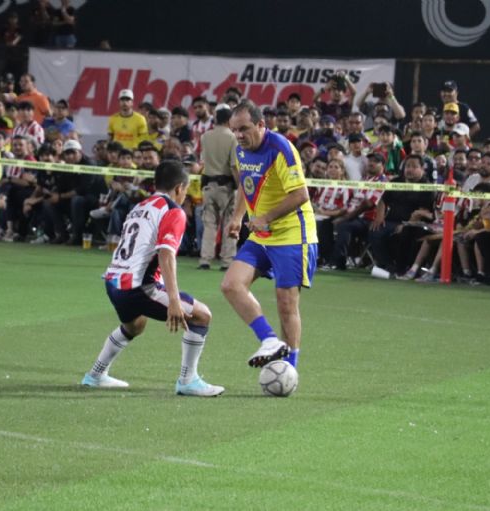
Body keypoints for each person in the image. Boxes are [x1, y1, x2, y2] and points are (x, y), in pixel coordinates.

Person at [81, 160, 224, 397]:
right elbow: (166, 255)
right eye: (186, 190)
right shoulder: (172, 211)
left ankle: (95, 374)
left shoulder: (140, 205)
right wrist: (174, 300)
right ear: (179, 188)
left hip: (113, 281)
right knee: (201, 316)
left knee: (135, 324)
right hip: (138, 286)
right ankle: (188, 380)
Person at [221, 100, 318, 369]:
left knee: (286, 304)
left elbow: (301, 194)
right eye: (234, 130)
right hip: (262, 235)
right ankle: (269, 339)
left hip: (293, 234)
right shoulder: (241, 149)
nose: (239, 136)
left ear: (262, 125)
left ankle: (290, 369)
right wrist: (238, 216)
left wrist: (265, 217)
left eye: (244, 129)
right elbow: (245, 183)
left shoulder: (281, 149)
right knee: (231, 285)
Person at [198, 104, 238, 270]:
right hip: (226, 185)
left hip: (208, 184)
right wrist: (239, 185)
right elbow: (234, 165)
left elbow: (202, 161)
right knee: (230, 223)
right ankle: (227, 261)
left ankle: (205, 259)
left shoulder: (205, 136)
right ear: (230, 120)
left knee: (209, 224)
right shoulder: (232, 138)